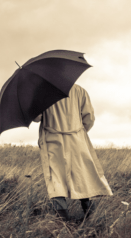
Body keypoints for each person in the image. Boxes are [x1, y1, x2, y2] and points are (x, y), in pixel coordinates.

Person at [33, 84, 113, 221]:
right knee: (82, 176)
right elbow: (89, 118)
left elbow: (36, 118)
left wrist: (32, 101)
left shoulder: (41, 92)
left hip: (53, 141)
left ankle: (63, 222)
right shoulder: (80, 90)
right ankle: (90, 217)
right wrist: (77, 132)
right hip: (77, 140)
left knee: (55, 179)